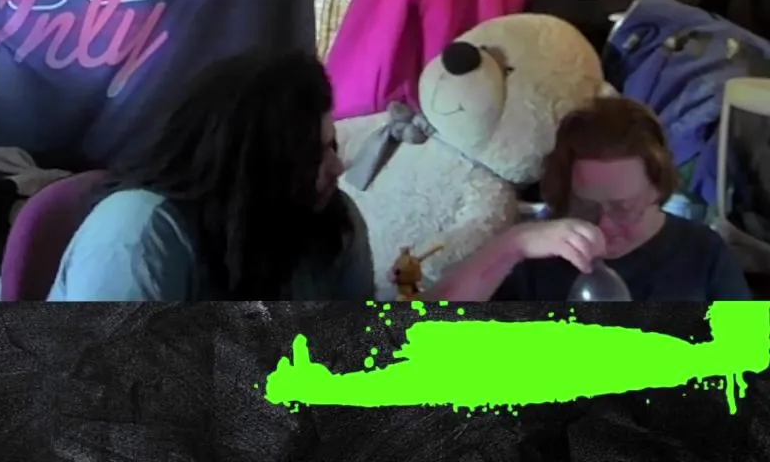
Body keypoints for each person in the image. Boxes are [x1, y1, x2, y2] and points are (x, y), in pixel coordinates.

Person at [47, 49, 374, 301]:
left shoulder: (332, 223)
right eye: (312, 155)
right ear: (250, 162)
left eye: (332, 146)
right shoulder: (138, 236)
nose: (337, 168)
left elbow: (359, 353)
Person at [426, 96, 751, 301]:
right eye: (586, 208)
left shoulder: (702, 253)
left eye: (625, 208)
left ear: (658, 189)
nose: (603, 228)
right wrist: (513, 245)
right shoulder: (535, 254)